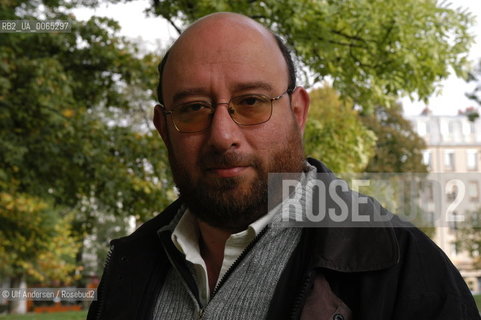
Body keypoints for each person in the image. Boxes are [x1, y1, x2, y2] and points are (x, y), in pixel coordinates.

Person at [87, 12, 480, 320]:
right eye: (193, 109)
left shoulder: (404, 267)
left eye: (252, 101)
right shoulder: (128, 267)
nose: (222, 135)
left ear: (298, 111)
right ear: (163, 128)